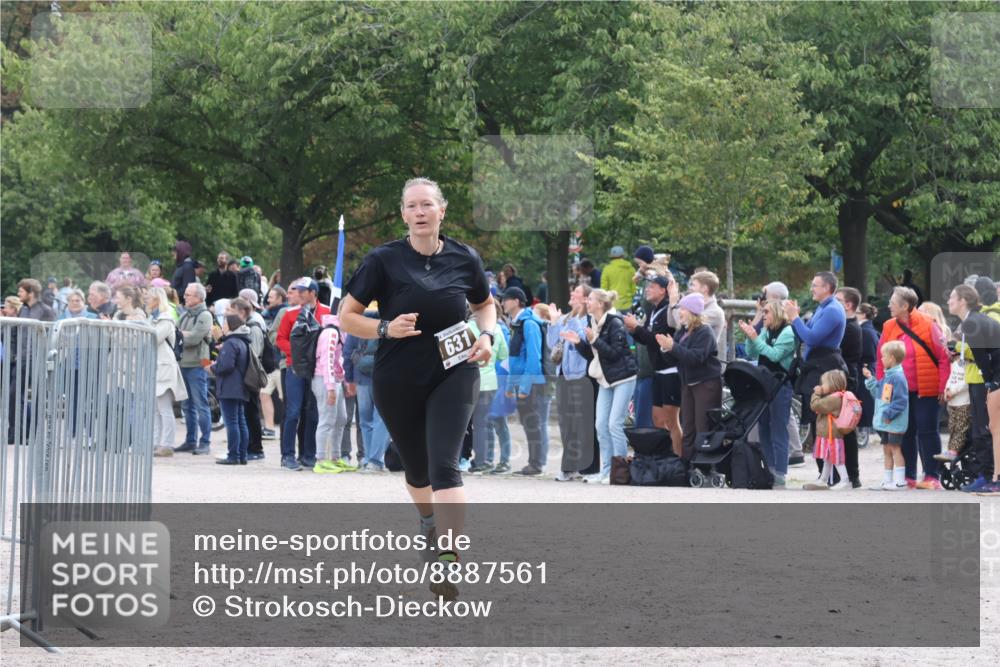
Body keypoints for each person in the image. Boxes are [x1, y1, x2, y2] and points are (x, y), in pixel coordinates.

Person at [339, 177, 495, 597]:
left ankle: (448, 559)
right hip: (398, 376)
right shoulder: (383, 260)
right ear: (404, 214)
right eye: (412, 206)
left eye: (428, 204)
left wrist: (487, 337)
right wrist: (386, 327)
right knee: (417, 470)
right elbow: (346, 316)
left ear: (442, 210)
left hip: (455, 370)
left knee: (446, 464)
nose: (420, 212)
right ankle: (428, 520)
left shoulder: (465, 258)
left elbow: (484, 305)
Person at [876, 286, 949, 489]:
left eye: (892, 301)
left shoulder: (928, 324)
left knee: (928, 431)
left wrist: (942, 387)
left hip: (927, 389)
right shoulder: (889, 326)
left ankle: (932, 475)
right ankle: (907, 475)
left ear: (905, 306)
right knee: (904, 432)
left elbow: (943, 358)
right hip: (900, 391)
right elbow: (881, 360)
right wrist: (883, 386)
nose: (889, 305)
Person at [561, 289, 637, 484]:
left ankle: (620, 472)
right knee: (600, 424)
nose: (587, 301)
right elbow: (594, 356)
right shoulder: (591, 322)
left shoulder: (615, 322)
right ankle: (606, 471)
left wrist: (594, 340)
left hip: (623, 377)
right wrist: (579, 344)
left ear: (601, 304)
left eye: (591, 299)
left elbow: (614, 353)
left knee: (614, 424)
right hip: (605, 378)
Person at [783, 271, 847, 456]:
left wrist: (795, 318)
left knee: (823, 416)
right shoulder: (822, 307)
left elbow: (811, 338)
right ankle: (823, 471)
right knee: (815, 415)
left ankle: (832, 472)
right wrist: (795, 320)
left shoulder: (833, 310)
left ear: (827, 288)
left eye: (815, 285)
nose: (811, 288)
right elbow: (805, 333)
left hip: (825, 365)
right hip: (815, 364)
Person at [656, 293, 722, 462]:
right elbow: (675, 358)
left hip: (705, 384)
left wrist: (674, 347)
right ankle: (687, 464)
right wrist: (667, 349)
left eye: (683, 309)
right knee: (688, 426)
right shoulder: (683, 331)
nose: (680, 312)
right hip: (687, 383)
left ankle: (704, 463)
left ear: (692, 311)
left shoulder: (705, 332)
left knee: (703, 425)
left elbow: (695, 358)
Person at [947, 285, 1000, 494]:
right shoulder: (976, 320)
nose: (949, 300)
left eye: (952, 296)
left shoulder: (971, 323)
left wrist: (989, 384)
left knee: (991, 429)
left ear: (963, 301)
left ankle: (993, 478)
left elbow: (981, 359)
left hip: (995, 376)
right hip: (993, 375)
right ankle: (991, 476)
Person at [275, 278, 332, 470]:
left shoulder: (327, 312)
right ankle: (287, 455)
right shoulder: (290, 313)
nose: (298, 293)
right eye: (297, 290)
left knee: (313, 412)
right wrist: (296, 351)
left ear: (313, 292)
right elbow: (279, 338)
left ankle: (308, 454)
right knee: (293, 411)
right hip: (295, 367)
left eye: (302, 290)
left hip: (318, 369)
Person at [739, 300, 795, 487]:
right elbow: (752, 352)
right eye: (763, 312)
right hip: (763, 384)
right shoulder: (766, 329)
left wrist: (756, 338)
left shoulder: (788, 332)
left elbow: (775, 355)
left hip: (780, 385)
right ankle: (769, 470)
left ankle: (780, 473)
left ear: (778, 313)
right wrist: (750, 337)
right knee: (763, 428)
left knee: (779, 428)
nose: (764, 315)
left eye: (767, 312)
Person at [624, 275, 682, 456]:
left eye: (652, 286)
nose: (647, 289)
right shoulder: (654, 309)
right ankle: (665, 457)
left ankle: (680, 460)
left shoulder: (667, 310)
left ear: (663, 290)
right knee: (657, 419)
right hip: (658, 370)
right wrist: (633, 330)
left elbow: (656, 340)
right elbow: (646, 339)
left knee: (672, 421)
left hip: (671, 370)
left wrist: (637, 328)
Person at [547, 285, 597, 480]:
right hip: (564, 374)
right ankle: (569, 467)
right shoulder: (567, 318)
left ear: (585, 299)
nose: (572, 294)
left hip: (580, 375)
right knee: (566, 422)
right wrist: (553, 323)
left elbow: (583, 341)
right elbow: (553, 344)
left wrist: (575, 319)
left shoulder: (588, 319)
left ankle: (583, 466)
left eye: (576, 292)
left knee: (581, 422)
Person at [500, 286, 549, 475]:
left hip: (532, 383)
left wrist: (524, 387)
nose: (503, 302)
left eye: (506, 299)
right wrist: (512, 385)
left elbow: (533, 359)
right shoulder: (517, 324)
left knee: (532, 423)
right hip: (522, 383)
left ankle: (536, 464)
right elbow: (515, 359)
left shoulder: (528, 324)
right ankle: (533, 462)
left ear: (516, 301)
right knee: (528, 423)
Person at [343, 311, 391, 473]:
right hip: (384, 379)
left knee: (365, 420)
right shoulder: (389, 325)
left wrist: (349, 378)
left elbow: (347, 352)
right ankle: (375, 461)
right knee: (381, 419)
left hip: (361, 378)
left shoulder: (357, 325)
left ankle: (368, 460)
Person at [147, 287, 188, 457]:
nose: (146, 300)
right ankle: (156, 442)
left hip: (164, 367)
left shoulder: (166, 319)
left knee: (164, 408)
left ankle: (167, 443)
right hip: (154, 367)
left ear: (157, 299)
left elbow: (153, 338)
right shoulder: (152, 319)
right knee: (155, 409)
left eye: (149, 297)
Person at [174, 282, 214, 455]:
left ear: (198, 297)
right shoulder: (186, 315)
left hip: (197, 364)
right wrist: (183, 334)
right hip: (183, 364)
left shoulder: (205, 315)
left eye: (189, 294)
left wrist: (182, 334)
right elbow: (174, 334)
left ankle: (205, 442)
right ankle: (190, 441)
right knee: (186, 405)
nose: (185, 296)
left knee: (200, 404)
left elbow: (193, 339)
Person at [863, 341, 910, 490]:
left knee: (895, 449)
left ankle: (900, 481)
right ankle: (887, 480)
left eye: (883, 356)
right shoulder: (887, 377)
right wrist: (871, 379)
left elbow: (901, 401)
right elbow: (878, 393)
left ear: (891, 358)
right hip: (886, 422)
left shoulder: (898, 378)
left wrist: (888, 414)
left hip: (893, 422)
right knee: (886, 450)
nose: (881, 359)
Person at [468, 303, 507, 474]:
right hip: (490, 381)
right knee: (483, 424)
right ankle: (485, 460)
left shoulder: (467, 327)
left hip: (469, 380)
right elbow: (503, 355)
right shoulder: (496, 329)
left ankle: (479, 460)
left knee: (473, 425)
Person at [230, 295, 267, 460]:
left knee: (251, 412)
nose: (229, 315)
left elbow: (255, 353)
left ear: (243, 312)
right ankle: (247, 446)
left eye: (233, 311)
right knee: (245, 412)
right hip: (243, 374)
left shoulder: (254, 328)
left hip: (250, 375)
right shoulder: (243, 326)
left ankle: (256, 448)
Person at [211, 313, 251, 465]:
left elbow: (226, 366)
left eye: (225, 324)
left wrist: (213, 368)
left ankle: (233, 455)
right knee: (240, 421)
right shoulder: (242, 341)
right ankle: (242, 455)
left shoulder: (231, 343)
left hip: (229, 386)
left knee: (232, 422)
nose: (223, 327)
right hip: (240, 386)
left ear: (232, 326)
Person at [312, 313, 350, 473]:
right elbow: (326, 361)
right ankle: (320, 460)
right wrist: (331, 388)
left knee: (341, 419)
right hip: (324, 379)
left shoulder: (340, 331)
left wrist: (343, 381)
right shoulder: (331, 333)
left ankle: (335, 457)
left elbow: (338, 360)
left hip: (336, 379)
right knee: (326, 419)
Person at [834, 286, 863, 487]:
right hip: (847, 378)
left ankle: (852, 475)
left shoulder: (850, 327)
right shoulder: (847, 324)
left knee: (846, 427)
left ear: (848, 304)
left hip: (847, 380)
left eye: (838, 300)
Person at [804, 370, 851, 491]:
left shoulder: (834, 399)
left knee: (836, 458)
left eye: (823, 383)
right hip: (828, 434)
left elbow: (816, 405)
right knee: (828, 458)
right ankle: (823, 479)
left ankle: (845, 480)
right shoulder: (836, 397)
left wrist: (816, 394)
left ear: (832, 384)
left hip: (832, 434)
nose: (821, 385)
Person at [672, 270, 726, 363]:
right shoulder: (692, 306)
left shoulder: (715, 312)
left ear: (704, 288)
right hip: (687, 365)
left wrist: (673, 302)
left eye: (693, 285)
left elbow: (679, 324)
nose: (690, 288)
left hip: (703, 369)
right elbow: (671, 322)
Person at [936, 343, 972, 463]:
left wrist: (954, 391)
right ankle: (951, 449)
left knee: (960, 428)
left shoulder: (968, 366)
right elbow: (950, 379)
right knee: (952, 427)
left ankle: (954, 450)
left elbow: (965, 382)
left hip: (963, 403)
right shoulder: (954, 365)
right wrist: (947, 390)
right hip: (952, 403)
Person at [857, 302, 880, 440]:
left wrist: (864, 366)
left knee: (869, 406)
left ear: (863, 315)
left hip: (865, 372)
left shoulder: (865, 331)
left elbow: (869, 354)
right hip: (866, 370)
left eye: (857, 313)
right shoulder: (868, 330)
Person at [601, 246, 635, 312]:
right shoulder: (631, 269)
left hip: (612, 306)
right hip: (627, 305)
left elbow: (604, 289)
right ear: (623, 256)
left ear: (611, 256)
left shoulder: (607, 269)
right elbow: (633, 289)